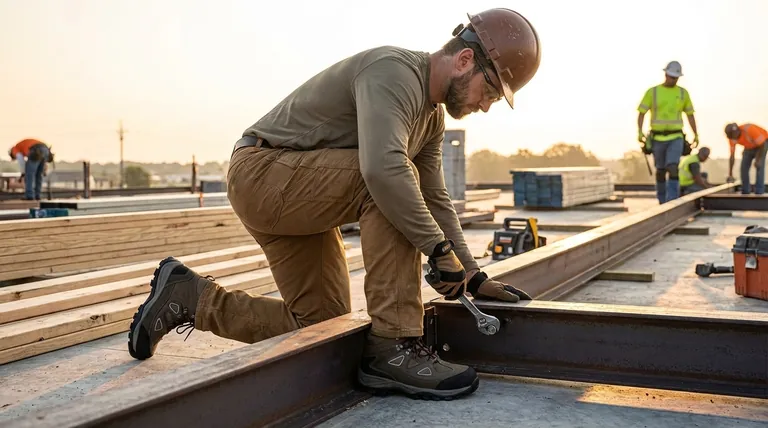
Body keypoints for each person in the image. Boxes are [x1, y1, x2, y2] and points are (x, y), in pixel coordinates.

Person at [127, 8, 540, 400]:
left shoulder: (431, 120)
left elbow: (436, 198)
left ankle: (190, 298)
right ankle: (395, 347)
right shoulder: (393, 72)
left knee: (324, 329)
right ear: (465, 60)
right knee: (389, 181)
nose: (486, 105)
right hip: (262, 175)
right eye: (490, 90)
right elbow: (382, 172)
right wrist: (436, 249)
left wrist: (471, 273)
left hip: (299, 196)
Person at [637, 61, 699, 204]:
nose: (673, 80)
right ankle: (662, 201)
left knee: (672, 167)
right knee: (660, 170)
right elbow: (641, 113)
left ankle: (672, 201)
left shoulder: (683, 93)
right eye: (671, 77)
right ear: (665, 74)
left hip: (676, 136)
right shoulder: (653, 92)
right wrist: (640, 132)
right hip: (657, 138)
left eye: (676, 78)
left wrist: (696, 134)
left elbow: (690, 115)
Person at [724, 123, 768, 194]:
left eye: (732, 135)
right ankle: (745, 190)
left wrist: (758, 159)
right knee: (744, 167)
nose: (732, 138)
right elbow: (732, 156)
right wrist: (730, 174)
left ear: (737, 131)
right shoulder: (731, 138)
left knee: (759, 166)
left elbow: (762, 144)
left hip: (762, 145)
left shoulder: (749, 129)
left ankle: (759, 191)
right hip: (749, 146)